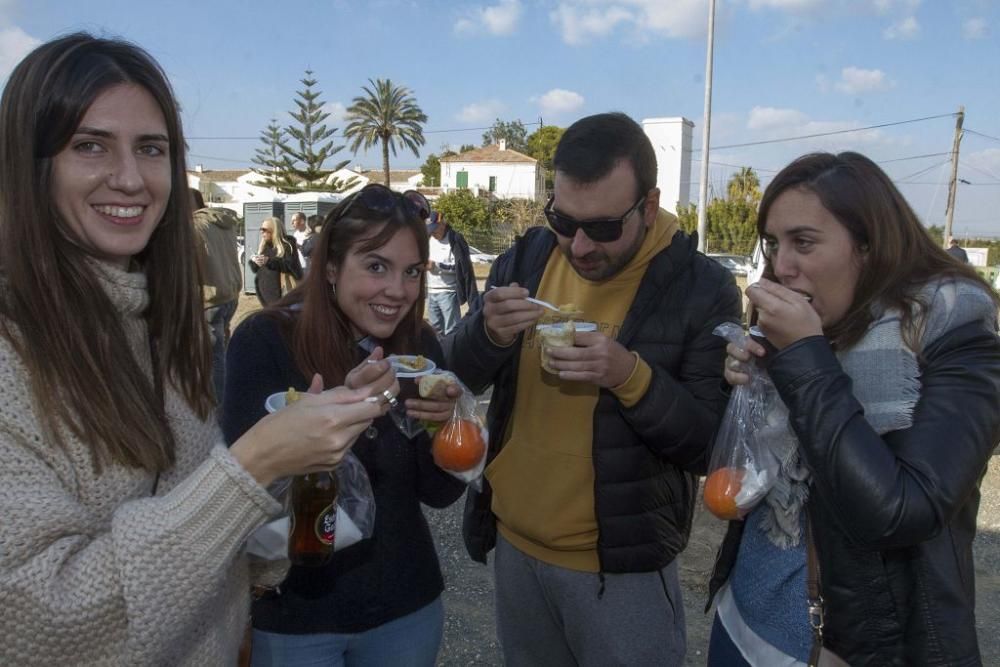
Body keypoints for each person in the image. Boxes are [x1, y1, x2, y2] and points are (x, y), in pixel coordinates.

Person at [0, 33, 393, 666]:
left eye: (151, 149)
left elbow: (209, 544)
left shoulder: (160, 328)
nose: (129, 178)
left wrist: (296, 468)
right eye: (89, 145)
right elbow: (38, 624)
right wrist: (253, 464)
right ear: (29, 164)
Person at [445, 112, 741, 665]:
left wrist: (629, 376)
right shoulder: (531, 256)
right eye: (563, 218)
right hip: (516, 549)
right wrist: (486, 331)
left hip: (621, 570)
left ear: (648, 207)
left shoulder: (702, 288)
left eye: (603, 228)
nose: (578, 246)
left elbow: (708, 444)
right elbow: (458, 373)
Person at [707, 152, 1000, 666]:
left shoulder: (957, 332)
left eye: (804, 242)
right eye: (773, 245)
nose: (781, 266)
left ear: (868, 245)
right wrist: (756, 385)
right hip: (742, 619)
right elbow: (759, 477)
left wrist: (804, 362)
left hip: (850, 648)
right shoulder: (813, 326)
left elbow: (902, 510)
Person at [222, 183, 468, 666]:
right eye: (376, 266)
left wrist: (449, 431)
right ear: (331, 267)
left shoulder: (417, 347)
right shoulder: (265, 340)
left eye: (411, 272)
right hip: (295, 614)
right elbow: (244, 496)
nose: (397, 291)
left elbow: (439, 493)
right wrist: (345, 409)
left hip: (406, 605)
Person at [191, 188, 242, 402]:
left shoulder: (194, 227)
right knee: (220, 355)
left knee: (212, 362)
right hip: (229, 295)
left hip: (209, 300)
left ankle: (219, 410)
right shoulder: (223, 222)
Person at [426, 210, 478, 335]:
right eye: (430, 230)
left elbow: (459, 267)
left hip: (448, 292)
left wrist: (437, 266)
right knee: (434, 330)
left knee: (452, 329)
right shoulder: (429, 239)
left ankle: (452, 353)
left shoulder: (454, 239)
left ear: (443, 224)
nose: (433, 233)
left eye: (435, 229)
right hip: (431, 292)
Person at [250, 216, 302, 306]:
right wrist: (254, 261)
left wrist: (269, 261)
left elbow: (291, 266)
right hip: (266, 295)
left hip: (283, 295)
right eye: (261, 229)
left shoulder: (287, 245)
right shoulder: (265, 245)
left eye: (264, 229)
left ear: (274, 230)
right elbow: (256, 269)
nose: (262, 232)